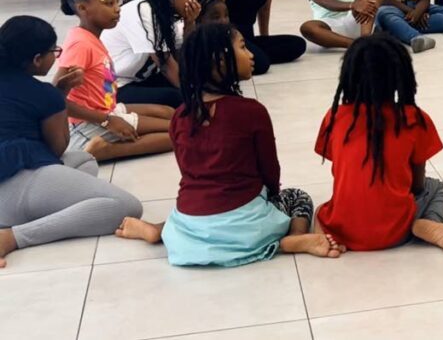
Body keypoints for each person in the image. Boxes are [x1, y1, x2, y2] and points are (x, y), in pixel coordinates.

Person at [114, 23, 343, 266]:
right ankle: (295, 237)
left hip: (189, 224)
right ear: (220, 60)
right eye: (243, 48)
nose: (251, 54)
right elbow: (270, 171)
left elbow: (189, 173)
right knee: (298, 197)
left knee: (190, 215)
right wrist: (270, 200)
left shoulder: (180, 116)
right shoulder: (251, 111)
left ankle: (159, 231)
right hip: (246, 223)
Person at [0, 16, 142, 268]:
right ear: (36, 60)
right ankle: (14, 236)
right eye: (53, 52)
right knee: (127, 206)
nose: (56, 57)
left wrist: (56, 93)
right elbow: (57, 148)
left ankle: (36, 210)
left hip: (11, 174)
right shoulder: (42, 94)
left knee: (85, 159)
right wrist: (57, 97)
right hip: (15, 184)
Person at [314, 34, 443, 254]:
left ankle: (322, 236)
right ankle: (426, 223)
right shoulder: (414, 118)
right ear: (401, 77)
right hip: (398, 230)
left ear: (348, 76)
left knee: (321, 208)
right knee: (436, 187)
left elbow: (340, 169)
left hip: (343, 230)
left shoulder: (335, 116)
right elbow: (417, 185)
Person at [55, 0, 174, 161]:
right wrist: (108, 121)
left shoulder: (91, 37)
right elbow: (55, 97)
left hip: (106, 112)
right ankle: (103, 150)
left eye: (117, 2)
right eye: (109, 3)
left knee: (168, 113)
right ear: (83, 8)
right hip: (88, 123)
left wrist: (109, 116)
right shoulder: (79, 44)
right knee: (175, 135)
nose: (117, 9)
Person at [102, 0, 201, 109]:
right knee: (177, 97)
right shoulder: (145, 10)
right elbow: (165, 64)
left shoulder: (167, 14)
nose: (195, 5)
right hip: (116, 85)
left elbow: (184, 56)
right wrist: (194, 96)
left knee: (199, 80)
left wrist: (189, 23)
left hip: (141, 78)